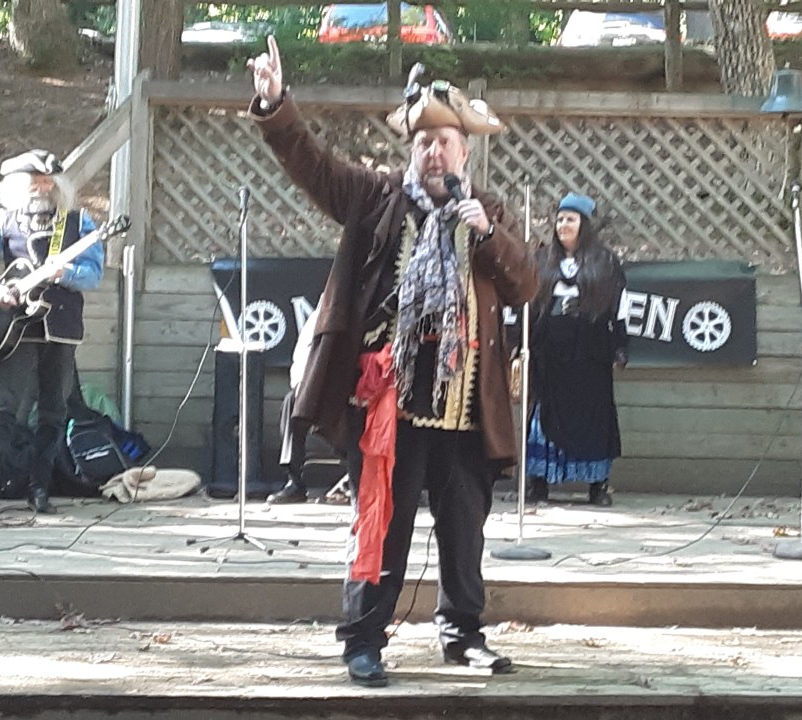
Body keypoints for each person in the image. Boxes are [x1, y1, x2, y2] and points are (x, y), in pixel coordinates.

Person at [247, 37, 538, 686]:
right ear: (411, 149)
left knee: (465, 532)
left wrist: (487, 236)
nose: (435, 153)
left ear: (465, 153)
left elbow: (525, 286)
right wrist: (276, 104)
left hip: (465, 407)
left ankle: (463, 634)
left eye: (446, 143)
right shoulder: (377, 198)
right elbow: (313, 166)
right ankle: (363, 639)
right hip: (389, 405)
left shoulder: (488, 213)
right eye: (424, 142)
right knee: (382, 525)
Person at [0, 149, 105, 515]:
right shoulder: (2, 221)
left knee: (54, 412)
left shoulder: (79, 223)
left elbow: (94, 274)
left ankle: (40, 487)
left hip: (62, 330)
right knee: (3, 410)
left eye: (48, 181)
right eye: (35, 182)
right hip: (14, 332)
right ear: (17, 187)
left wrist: (65, 273)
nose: (43, 188)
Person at [524, 193, 628, 507]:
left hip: (591, 357)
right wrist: (520, 344)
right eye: (559, 220)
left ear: (585, 224)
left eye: (570, 219)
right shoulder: (541, 261)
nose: (563, 225)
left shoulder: (606, 262)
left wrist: (621, 346)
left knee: (594, 419)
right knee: (545, 417)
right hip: (550, 357)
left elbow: (620, 308)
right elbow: (527, 307)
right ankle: (539, 483)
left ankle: (597, 486)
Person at [267, 304, 319, 505]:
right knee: (292, 401)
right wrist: (302, 385)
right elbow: (303, 352)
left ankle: (356, 479)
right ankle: (294, 481)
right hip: (317, 388)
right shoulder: (320, 313)